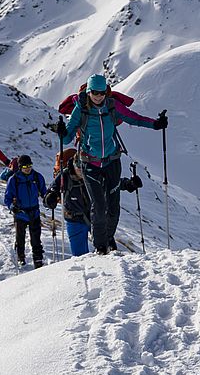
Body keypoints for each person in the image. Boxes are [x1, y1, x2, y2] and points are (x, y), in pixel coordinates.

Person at [58, 74, 166, 255]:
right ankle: (101, 248)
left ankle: (108, 239)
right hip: (89, 163)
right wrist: (61, 132)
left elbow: (135, 118)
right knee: (99, 205)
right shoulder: (81, 109)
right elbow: (68, 137)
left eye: (101, 93)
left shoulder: (112, 105)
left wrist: (156, 124)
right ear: (89, 91)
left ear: (106, 91)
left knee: (114, 206)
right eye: (95, 93)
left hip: (112, 161)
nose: (98, 96)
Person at [3, 154, 48, 268]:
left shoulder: (37, 177)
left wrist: (48, 200)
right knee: (20, 237)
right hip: (20, 213)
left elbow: (44, 192)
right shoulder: (14, 180)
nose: (28, 168)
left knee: (36, 237)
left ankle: (38, 259)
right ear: (20, 167)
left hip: (34, 212)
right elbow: (7, 198)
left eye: (29, 166)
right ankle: (20, 256)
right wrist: (12, 207)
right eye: (25, 166)